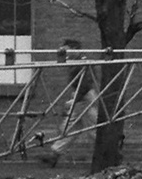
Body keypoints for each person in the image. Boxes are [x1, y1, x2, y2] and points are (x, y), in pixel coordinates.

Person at [36, 39, 99, 168]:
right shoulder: (79, 62)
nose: (66, 54)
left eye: (67, 50)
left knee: (90, 128)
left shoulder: (81, 63)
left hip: (83, 98)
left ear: (75, 49)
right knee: (73, 127)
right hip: (83, 97)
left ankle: (107, 151)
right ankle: (55, 154)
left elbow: (85, 84)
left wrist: (75, 100)